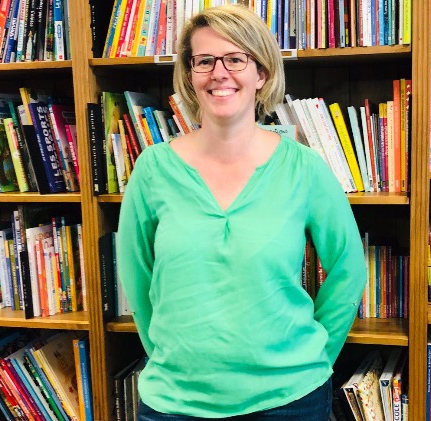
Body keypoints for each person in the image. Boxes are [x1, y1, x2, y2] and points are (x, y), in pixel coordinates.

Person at [116, 5, 366, 420]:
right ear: (190, 74)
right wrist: (166, 354)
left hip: (290, 400)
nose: (219, 73)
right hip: (175, 401)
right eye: (204, 61)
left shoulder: (304, 168)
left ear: (261, 73)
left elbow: (348, 268)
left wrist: (316, 355)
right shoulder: (153, 169)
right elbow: (137, 274)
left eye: (235, 59)